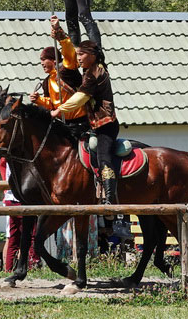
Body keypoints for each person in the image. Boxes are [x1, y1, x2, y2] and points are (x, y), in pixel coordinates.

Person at [52, 39, 130, 238]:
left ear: (92, 55)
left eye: (81, 55)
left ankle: (110, 201)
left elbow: (81, 98)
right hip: (93, 124)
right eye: (77, 55)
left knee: (104, 157)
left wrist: (58, 110)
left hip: (106, 124)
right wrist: (60, 33)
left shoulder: (96, 72)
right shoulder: (88, 71)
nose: (78, 59)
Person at [29, 16, 87, 123]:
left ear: (54, 60)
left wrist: (59, 33)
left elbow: (70, 53)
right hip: (62, 123)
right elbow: (51, 104)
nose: (42, 63)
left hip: (80, 121)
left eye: (44, 59)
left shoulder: (66, 70)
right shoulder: (46, 82)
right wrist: (39, 100)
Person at [0, 156, 39, 272]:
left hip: (11, 199)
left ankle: (9, 269)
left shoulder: (6, 159)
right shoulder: (19, 159)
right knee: (31, 236)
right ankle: (32, 266)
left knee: (13, 237)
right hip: (21, 199)